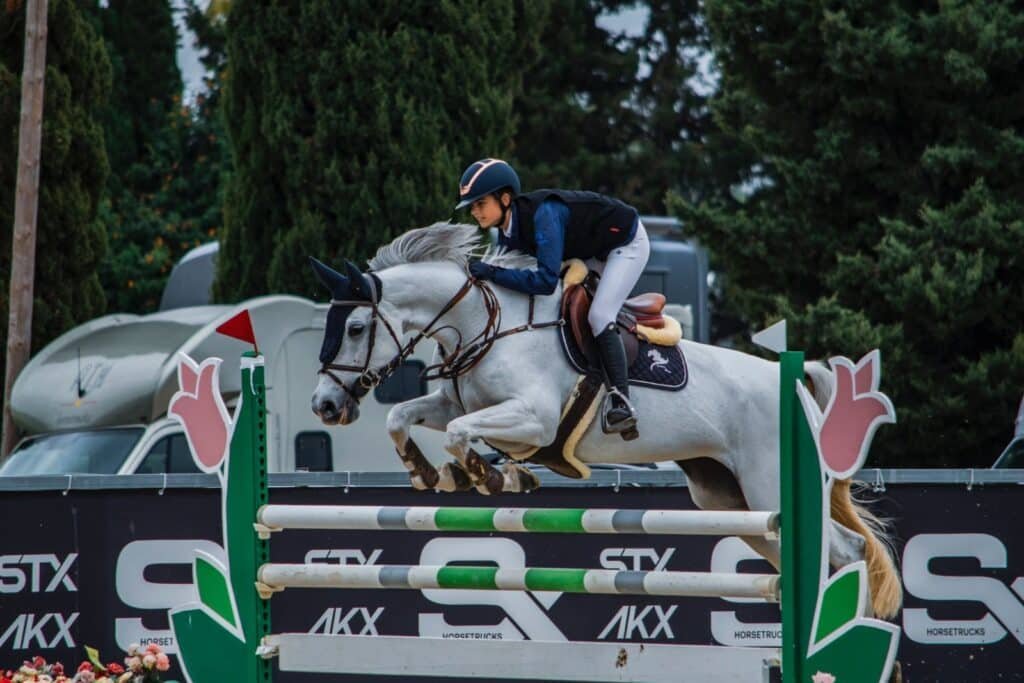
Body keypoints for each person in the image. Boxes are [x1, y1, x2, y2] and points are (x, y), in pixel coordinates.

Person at [455, 158, 650, 438]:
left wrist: (491, 272)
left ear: (505, 199)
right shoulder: (506, 232)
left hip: (624, 244)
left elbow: (545, 282)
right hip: (589, 250)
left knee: (599, 315)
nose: (475, 212)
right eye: (472, 206)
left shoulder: (544, 214)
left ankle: (621, 402)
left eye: (480, 203)